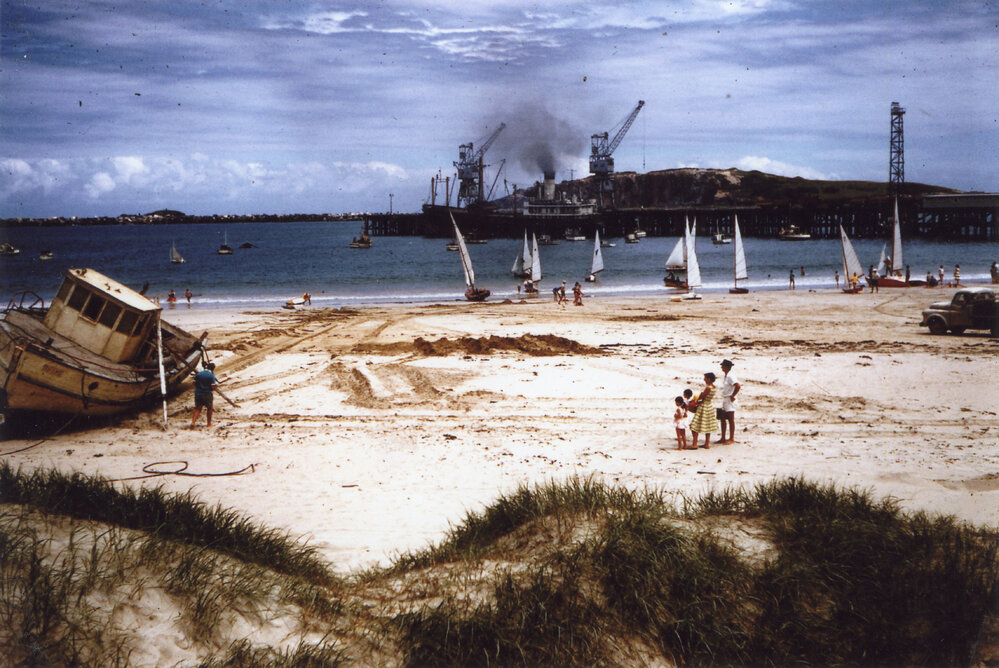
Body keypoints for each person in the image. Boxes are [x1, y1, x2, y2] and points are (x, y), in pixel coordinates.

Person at [689, 372, 719, 449]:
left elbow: (702, 396)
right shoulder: (714, 387)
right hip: (709, 406)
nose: (704, 379)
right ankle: (706, 443)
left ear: (709, 379)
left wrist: (695, 400)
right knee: (707, 426)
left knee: (695, 425)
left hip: (704, 407)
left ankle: (694, 443)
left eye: (705, 378)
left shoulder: (708, 388)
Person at [190, 362, 220, 428]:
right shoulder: (211, 376)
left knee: (198, 409)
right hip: (207, 394)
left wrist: (199, 387)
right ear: (213, 369)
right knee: (209, 408)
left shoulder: (199, 374)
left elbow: (193, 383)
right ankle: (209, 424)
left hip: (198, 393)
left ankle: (193, 423)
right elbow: (213, 387)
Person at [718, 359, 741, 445]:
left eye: (723, 366)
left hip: (730, 399)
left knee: (731, 419)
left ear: (726, 367)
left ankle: (731, 438)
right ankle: (723, 437)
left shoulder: (731, 376)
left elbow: (738, 386)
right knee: (723, 418)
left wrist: (733, 395)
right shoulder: (727, 376)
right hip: (726, 398)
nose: (721, 367)